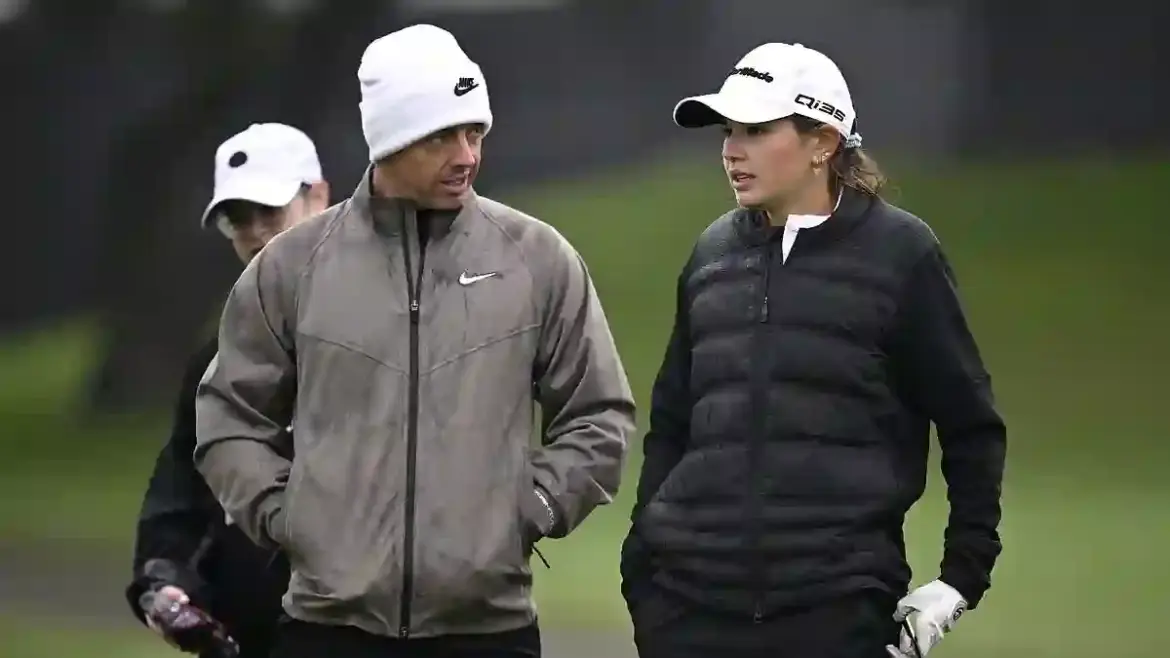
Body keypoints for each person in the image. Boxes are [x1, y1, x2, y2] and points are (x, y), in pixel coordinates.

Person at [193, 24, 635, 658]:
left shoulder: (537, 260)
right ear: (389, 142)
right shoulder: (291, 267)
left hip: (489, 631)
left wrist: (530, 506)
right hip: (327, 629)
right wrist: (285, 515)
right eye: (441, 137)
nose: (466, 155)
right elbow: (229, 417)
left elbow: (600, 416)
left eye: (474, 132)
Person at [620, 42, 1007, 658]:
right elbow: (671, 422)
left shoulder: (902, 254)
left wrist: (961, 577)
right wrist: (642, 566)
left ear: (822, 142)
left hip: (834, 612)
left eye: (754, 130)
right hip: (687, 610)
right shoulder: (712, 253)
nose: (730, 150)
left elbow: (971, 425)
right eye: (727, 131)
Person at [125, 122, 330, 658]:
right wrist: (165, 582)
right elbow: (181, 498)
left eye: (271, 212)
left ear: (320, 199)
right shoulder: (214, 361)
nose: (258, 233)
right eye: (240, 219)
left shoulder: (392, 331)